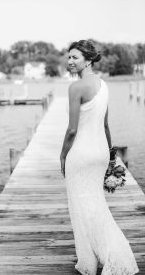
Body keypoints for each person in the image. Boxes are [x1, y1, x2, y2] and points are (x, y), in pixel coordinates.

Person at [60, 40, 139, 275]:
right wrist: (111, 155)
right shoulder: (104, 86)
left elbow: (72, 130)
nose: (70, 61)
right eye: (69, 57)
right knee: (95, 205)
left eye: (75, 57)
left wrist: (63, 155)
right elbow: (105, 125)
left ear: (89, 59)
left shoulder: (76, 88)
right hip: (100, 153)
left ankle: (96, 260)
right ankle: (98, 256)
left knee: (81, 206)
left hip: (81, 154)